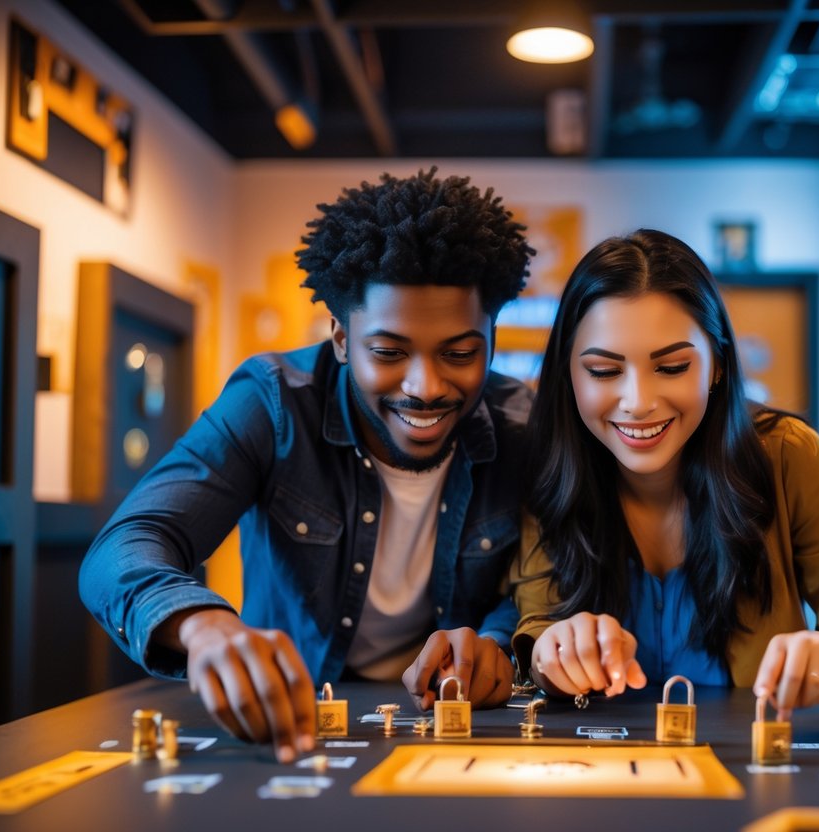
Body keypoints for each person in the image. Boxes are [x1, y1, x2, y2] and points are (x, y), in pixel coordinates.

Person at [81, 169, 535, 762]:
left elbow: (544, 578)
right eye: (389, 352)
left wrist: (499, 642)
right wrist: (203, 625)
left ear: (491, 340)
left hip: (455, 736)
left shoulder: (524, 426)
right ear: (341, 338)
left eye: (459, 352)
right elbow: (124, 546)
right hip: (294, 724)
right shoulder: (271, 403)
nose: (425, 387)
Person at [512, 229, 819, 718]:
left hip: (754, 758)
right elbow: (538, 635)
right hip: (600, 760)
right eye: (604, 372)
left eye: (672, 367)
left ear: (717, 365)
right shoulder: (549, 467)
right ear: (568, 374)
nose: (638, 402)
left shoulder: (788, 456)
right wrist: (553, 654)